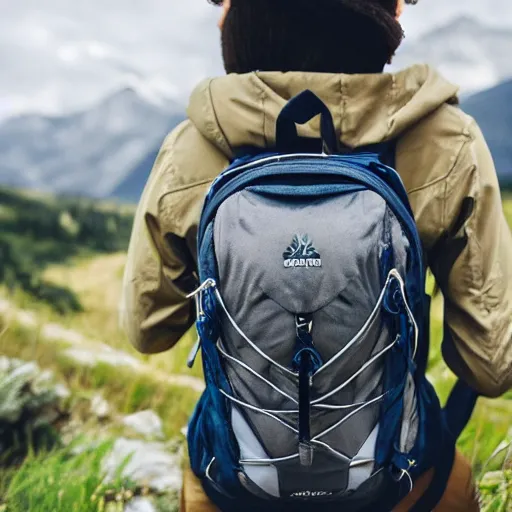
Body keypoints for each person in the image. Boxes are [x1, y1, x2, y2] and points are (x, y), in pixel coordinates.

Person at [120, 0, 512, 510]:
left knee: (203, 470)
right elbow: (492, 364)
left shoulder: (191, 147)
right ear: (385, 22)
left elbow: (148, 330)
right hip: (402, 485)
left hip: (237, 487)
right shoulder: (446, 141)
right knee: (447, 478)